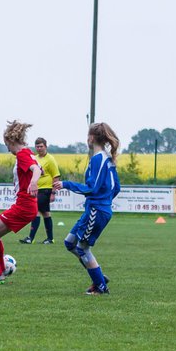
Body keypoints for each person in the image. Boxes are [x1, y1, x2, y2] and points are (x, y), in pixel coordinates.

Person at [55, 122, 122, 294]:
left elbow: (91, 187)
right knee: (69, 243)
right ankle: (97, 275)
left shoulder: (99, 159)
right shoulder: (107, 159)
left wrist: (66, 184)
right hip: (95, 209)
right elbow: (116, 188)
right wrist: (104, 201)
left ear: (91, 138)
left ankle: (100, 286)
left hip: (96, 210)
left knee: (82, 248)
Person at [0, 120, 40, 285]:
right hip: (27, 205)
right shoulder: (29, 153)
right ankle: (1, 271)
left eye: (7, 145)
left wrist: (33, 183)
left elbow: (37, 170)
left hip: (24, 206)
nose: (7, 149)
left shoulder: (22, 154)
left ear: (12, 141)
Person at [21, 137, 60, 245]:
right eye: (37, 146)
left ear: (46, 146)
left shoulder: (50, 159)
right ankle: (50, 239)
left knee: (36, 211)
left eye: (41, 146)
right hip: (36, 189)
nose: (39, 148)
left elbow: (56, 176)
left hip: (46, 189)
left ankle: (31, 238)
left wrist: (53, 192)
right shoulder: (35, 158)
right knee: (45, 213)